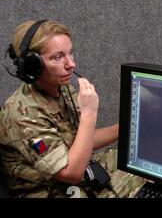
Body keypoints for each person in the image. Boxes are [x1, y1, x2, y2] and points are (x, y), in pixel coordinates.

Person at [0, 20, 145, 198]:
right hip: (53, 190)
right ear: (32, 65)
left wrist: (132, 126)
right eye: (58, 57)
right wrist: (89, 114)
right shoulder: (22, 115)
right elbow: (71, 173)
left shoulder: (61, 87)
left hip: (78, 171)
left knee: (141, 163)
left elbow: (81, 139)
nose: (71, 64)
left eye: (70, 53)